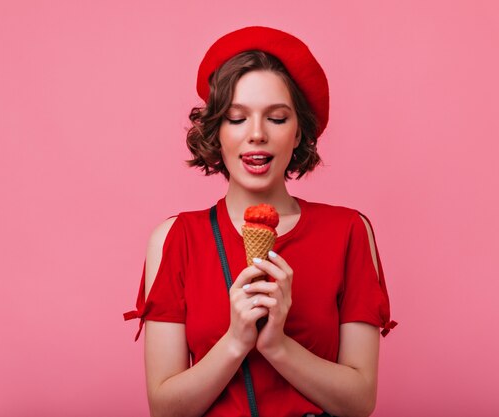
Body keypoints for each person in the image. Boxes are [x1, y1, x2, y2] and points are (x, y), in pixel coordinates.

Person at [124, 26, 397, 417]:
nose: (256, 135)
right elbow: (166, 410)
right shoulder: (174, 238)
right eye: (236, 118)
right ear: (216, 131)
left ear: (300, 130)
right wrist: (236, 340)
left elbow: (359, 402)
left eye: (277, 118)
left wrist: (277, 346)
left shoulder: (349, 232)